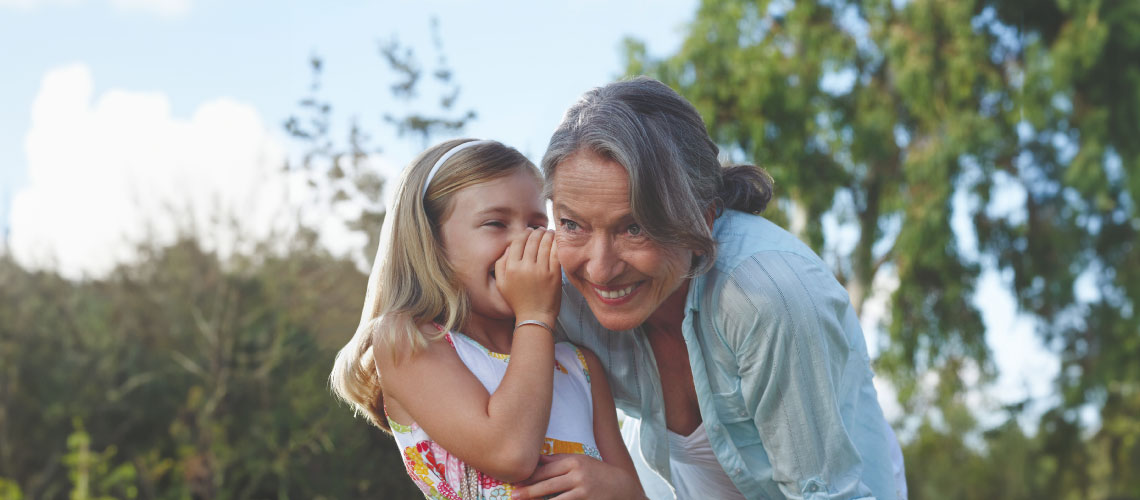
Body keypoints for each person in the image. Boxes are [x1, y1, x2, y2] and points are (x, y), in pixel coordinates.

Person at [511, 78, 908, 500]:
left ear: (704, 217)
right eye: (572, 224)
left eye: (636, 227)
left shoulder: (768, 298)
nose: (600, 268)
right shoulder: (553, 288)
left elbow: (827, 494)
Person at [329, 139, 644, 499]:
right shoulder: (408, 340)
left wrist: (618, 488)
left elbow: (634, 492)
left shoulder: (581, 367)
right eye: (496, 223)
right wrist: (536, 315)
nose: (523, 241)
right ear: (432, 243)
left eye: (537, 224)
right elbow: (510, 453)